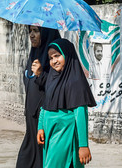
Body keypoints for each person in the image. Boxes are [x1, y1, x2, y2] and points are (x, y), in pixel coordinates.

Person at [36, 38, 96, 168]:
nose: (54, 61)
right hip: (49, 133)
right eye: (51, 58)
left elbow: (81, 115)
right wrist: (40, 126)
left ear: (67, 55)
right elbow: (45, 105)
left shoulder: (75, 82)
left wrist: (83, 145)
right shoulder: (52, 79)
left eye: (57, 56)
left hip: (64, 134)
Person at [16, 26, 61, 168]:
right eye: (30, 31)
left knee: (43, 156)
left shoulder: (55, 57)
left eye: (36, 31)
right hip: (31, 115)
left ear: (46, 32)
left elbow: (58, 86)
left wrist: (41, 74)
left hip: (45, 117)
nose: (31, 35)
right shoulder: (34, 54)